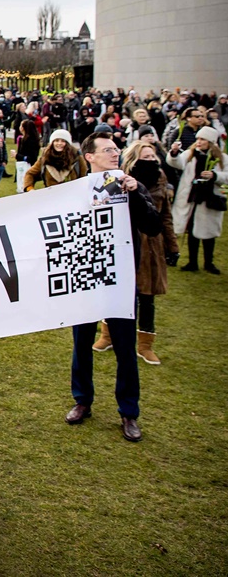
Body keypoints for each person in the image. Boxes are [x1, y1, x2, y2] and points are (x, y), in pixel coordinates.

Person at [67, 134, 160, 443]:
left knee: (124, 347)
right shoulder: (75, 189)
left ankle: (129, 412)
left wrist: (135, 194)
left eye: (117, 151)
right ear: (89, 156)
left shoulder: (129, 186)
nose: (114, 155)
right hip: (84, 277)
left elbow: (153, 225)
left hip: (119, 279)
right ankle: (82, 400)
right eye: (107, 151)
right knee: (82, 343)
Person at [94, 142, 177, 364]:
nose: (150, 160)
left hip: (152, 246)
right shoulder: (119, 179)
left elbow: (165, 216)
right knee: (118, 291)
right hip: (125, 242)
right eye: (145, 156)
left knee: (147, 296)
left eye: (153, 156)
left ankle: (145, 344)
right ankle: (107, 334)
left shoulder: (161, 180)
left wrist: (172, 246)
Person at [167, 126, 227, 273]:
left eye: (203, 139)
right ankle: (192, 262)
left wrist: (215, 176)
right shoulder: (190, 154)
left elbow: (226, 175)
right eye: (198, 139)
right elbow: (177, 163)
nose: (199, 142)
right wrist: (174, 153)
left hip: (210, 197)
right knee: (192, 229)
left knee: (209, 231)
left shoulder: (222, 158)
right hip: (192, 196)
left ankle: (209, 262)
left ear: (211, 141)